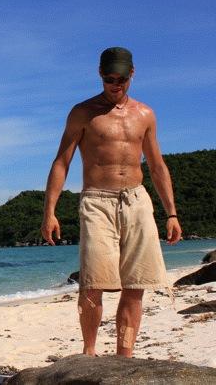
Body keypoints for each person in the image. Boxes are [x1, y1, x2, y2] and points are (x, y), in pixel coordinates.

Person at [41, 47, 182, 358]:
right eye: (108, 79)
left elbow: (157, 166)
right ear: (99, 74)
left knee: (136, 283)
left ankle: (124, 357)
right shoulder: (82, 112)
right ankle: (89, 355)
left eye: (120, 79)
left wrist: (171, 213)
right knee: (92, 282)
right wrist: (49, 211)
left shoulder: (145, 114)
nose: (114, 85)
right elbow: (61, 162)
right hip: (96, 201)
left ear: (132, 74)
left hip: (137, 199)